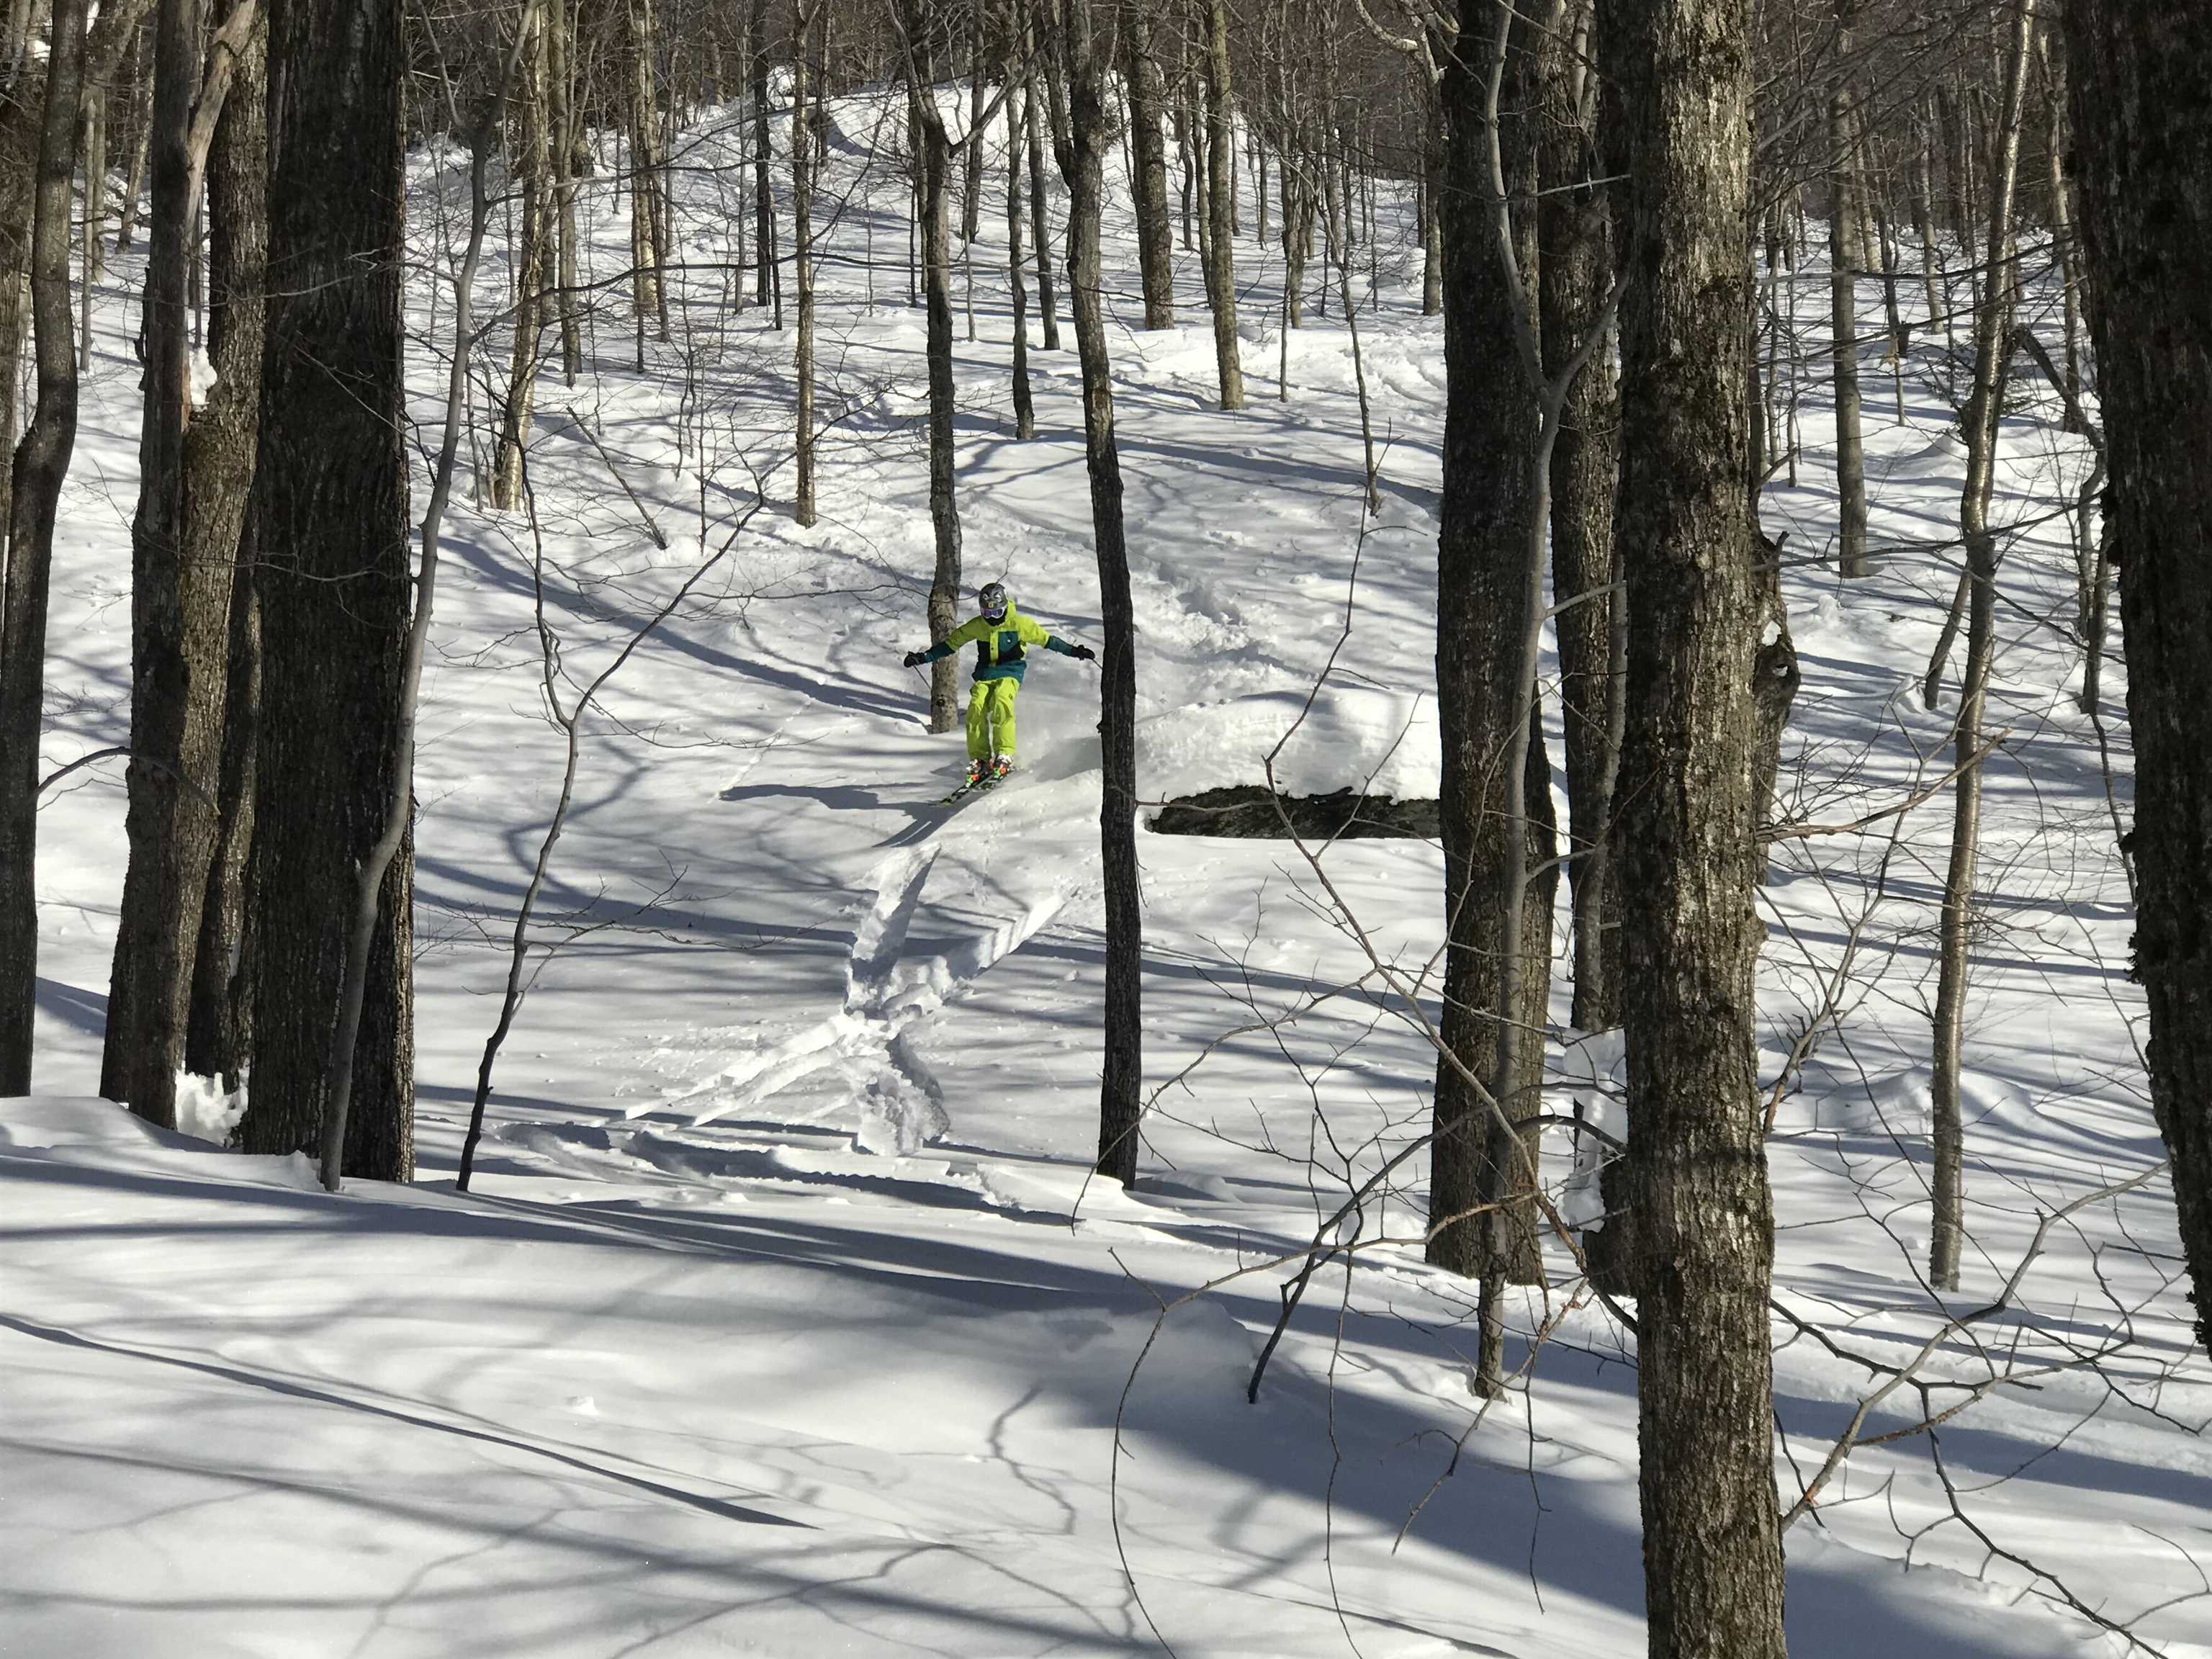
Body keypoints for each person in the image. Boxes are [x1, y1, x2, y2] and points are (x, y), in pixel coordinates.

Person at [904, 581, 1095, 787]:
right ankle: (980, 759)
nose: (992, 619)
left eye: (996, 613)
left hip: (1010, 672)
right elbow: (951, 644)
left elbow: (1047, 640)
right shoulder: (978, 626)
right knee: (976, 708)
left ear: (1005, 608)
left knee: (1001, 702)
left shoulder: (1019, 624)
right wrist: (923, 658)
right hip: (985, 675)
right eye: (987, 614)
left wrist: (1075, 651)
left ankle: (1004, 754)